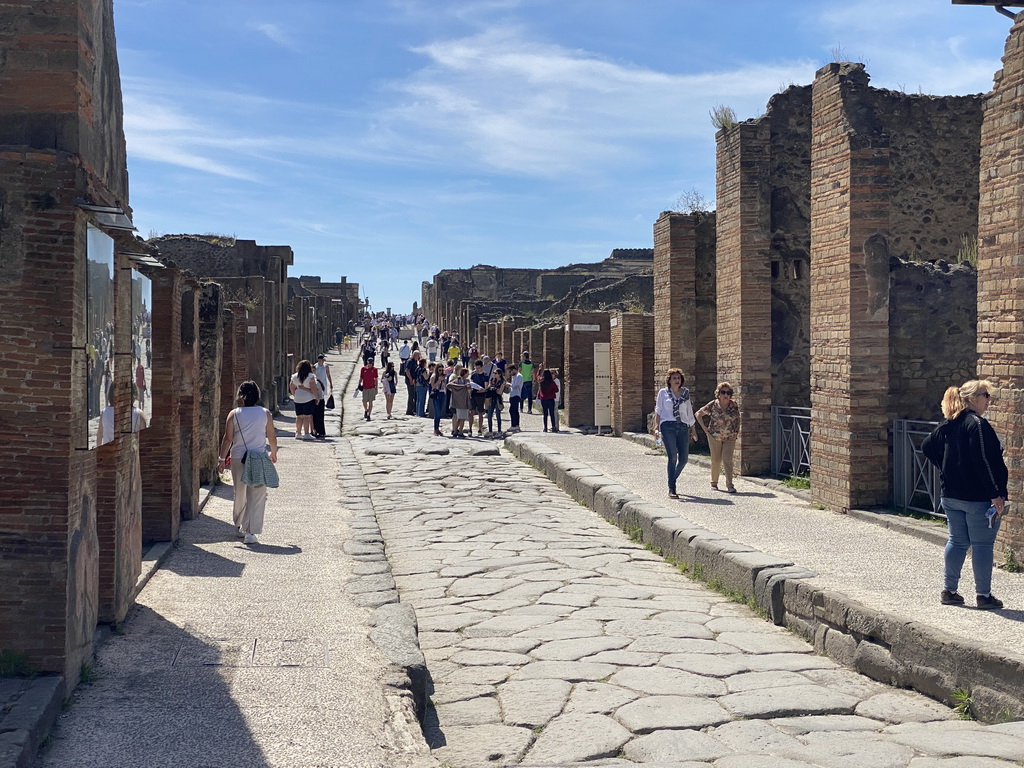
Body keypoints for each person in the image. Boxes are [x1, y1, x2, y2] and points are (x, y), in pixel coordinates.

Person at [922, 380, 1008, 610]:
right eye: (985, 395)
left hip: (951, 495)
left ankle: (949, 591)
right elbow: (985, 460)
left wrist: (947, 469)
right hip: (978, 498)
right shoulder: (977, 424)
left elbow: (927, 446)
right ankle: (984, 595)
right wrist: (995, 494)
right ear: (973, 399)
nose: (988, 400)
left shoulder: (950, 423)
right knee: (982, 545)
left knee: (957, 542)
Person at [217, 381, 278, 544]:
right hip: (258, 456)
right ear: (257, 396)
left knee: (240, 492)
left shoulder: (234, 414)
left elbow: (228, 438)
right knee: (257, 494)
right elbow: (271, 436)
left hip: (238, 457)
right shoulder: (265, 413)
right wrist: (273, 452)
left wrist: (222, 459)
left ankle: (239, 526)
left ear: (240, 396)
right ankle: (250, 532)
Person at [653, 368, 698, 499]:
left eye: (678, 378)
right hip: (668, 426)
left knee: (684, 459)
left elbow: (689, 412)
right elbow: (658, 410)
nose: (677, 380)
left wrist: (693, 429)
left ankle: (672, 478)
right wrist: (656, 427)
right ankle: (672, 488)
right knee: (672, 457)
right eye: (674, 378)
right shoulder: (663, 393)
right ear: (669, 380)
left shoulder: (685, 394)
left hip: (683, 426)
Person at [696, 382, 741, 493]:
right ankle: (714, 482)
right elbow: (698, 414)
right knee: (716, 460)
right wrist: (705, 428)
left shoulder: (733, 405)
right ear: (718, 393)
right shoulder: (713, 404)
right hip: (714, 436)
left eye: (728, 393)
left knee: (727, 460)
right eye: (723, 392)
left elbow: (737, 418)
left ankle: (730, 485)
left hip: (730, 436)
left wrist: (736, 431)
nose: (726, 395)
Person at [289, 359, 319, 439]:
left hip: (298, 398)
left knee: (299, 416)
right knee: (307, 416)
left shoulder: (294, 376)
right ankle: (306, 434)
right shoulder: (311, 376)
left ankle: (298, 433)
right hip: (308, 398)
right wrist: (317, 398)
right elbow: (313, 388)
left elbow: (291, 386)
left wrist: (294, 394)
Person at [446, 367, 472, 438]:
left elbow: (448, 385)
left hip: (456, 402)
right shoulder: (466, 381)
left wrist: (455, 388)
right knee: (462, 418)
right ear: (465, 374)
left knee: (458, 417)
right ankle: (460, 431)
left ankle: (455, 431)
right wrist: (462, 387)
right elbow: (469, 387)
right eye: (467, 373)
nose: (468, 374)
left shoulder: (456, 380)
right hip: (463, 402)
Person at [312, 354, 333, 439]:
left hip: (323, 384)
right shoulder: (315, 366)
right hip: (316, 385)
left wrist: (331, 383)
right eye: (321, 359)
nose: (322, 361)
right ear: (318, 360)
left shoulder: (326, 366)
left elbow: (328, 375)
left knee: (322, 397)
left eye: (323, 360)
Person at [485, 368, 509, 437]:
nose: (494, 374)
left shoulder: (502, 381)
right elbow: (489, 388)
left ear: (499, 374)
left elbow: (499, 392)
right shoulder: (492, 380)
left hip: (498, 400)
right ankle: (490, 431)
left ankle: (499, 431)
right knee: (489, 415)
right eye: (493, 373)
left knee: (498, 415)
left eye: (495, 373)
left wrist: (494, 389)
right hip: (491, 399)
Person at [470, 360, 489, 437]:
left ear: (482, 367)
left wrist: (481, 390)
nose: (478, 369)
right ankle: (470, 429)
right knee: (471, 412)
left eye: (479, 368)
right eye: (476, 368)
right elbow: (471, 384)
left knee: (480, 412)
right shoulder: (473, 375)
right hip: (473, 395)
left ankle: (480, 429)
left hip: (481, 396)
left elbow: (486, 387)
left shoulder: (485, 376)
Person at [429, 363, 448, 436]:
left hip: (442, 394)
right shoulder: (434, 376)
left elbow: (444, 385)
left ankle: (437, 428)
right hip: (436, 394)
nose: (440, 371)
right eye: (439, 370)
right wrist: (439, 380)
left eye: (442, 370)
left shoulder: (443, 376)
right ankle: (435, 429)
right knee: (437, 413)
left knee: (440, 412)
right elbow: (433, 386)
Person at [507, 365, 523, 433]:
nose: (510, 373)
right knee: (513, 410)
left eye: (511, 371)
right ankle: (515, 424)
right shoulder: (514, 376)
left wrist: (509, 384)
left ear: (514, 369)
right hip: (512, 395)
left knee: (513, 410)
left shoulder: (519, 376)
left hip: (516, 395)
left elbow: (515, 385)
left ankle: (514, 425)